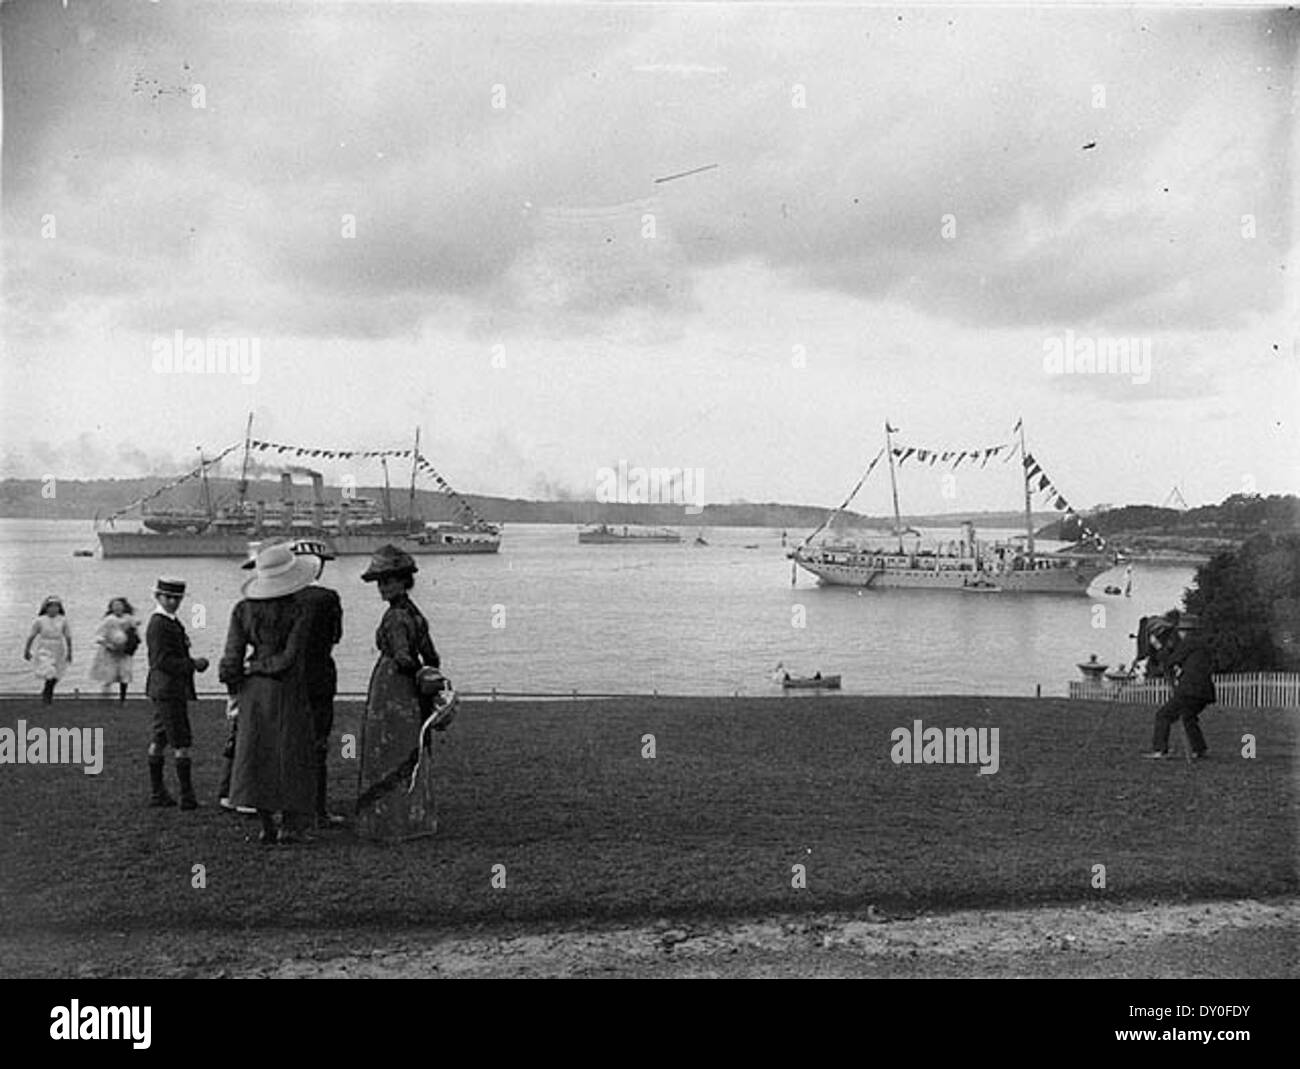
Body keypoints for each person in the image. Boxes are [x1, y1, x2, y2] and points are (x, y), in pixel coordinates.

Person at [221, 544, 318, 845]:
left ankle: (266, 824)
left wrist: (237, 683)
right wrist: (263, 667)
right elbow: (290, 657)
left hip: (254, 693)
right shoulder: (301, 608)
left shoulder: (242, 609)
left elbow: (231, 658)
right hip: (288, 687)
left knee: (256, 753)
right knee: (291, 754)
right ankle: (291, 826)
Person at [356, 544, 443, 842]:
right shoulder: (415, 613)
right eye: (381, 582)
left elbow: (404, 656)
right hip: (411, 688)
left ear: (402, 580)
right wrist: (427, 680)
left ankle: (389, 820)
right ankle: (412, 814)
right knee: (409, 745)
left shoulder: (394, 617)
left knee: (387, 747)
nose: (382, 587)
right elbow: (432, 655)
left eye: (388, 581)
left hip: (391, 686)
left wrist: (411, 671)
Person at [286, 539, 345, 829]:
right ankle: (318, 809)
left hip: (286, 679)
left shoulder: (279, 596)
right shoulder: (328, 599)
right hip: (320, 677)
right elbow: (336, 636)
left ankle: (288, 808)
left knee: (287, 744)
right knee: (318, 745)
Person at [144, 578, 210, 808]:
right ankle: (186, 796)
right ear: (158, 597)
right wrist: (193, 664)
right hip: (169, 689)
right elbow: (161, 661)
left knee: (160, 738)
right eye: (168, 597)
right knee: (181, 742)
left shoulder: (166, 621)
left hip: (163, 688)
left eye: (177, 598)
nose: (173, 602)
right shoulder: (160, 624)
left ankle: (158, 793)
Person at [1143, 613, 1216, 760]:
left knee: (1163, 715)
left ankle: (1160, 750)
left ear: (1185, 631)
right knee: (1188, 717)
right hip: (1205, 691)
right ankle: (1200, 749)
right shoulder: (1203, 645)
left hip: (1189, 689)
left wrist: (1158, 647)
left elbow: (1169, 661)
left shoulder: (1188, 643)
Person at [24, 596, 72, 704]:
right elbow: (31, 636)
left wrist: (70, 652)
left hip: (58, 647)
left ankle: (48, 693)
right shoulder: (40, 620)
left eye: (56, 607)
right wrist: (27, 650)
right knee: (49, 671)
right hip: (44, 647)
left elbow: (68, 637)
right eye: (51, 607)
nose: (53, 609)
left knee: (56, 674)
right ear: (46, 608)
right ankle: (47, 697)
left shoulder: (63, 620)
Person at [91, 597, 139, 702]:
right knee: (109, 675)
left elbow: (135, 633)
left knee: (125, 673)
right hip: (110, 652)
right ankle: (105, 697)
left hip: (125, 652)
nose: (117, 608)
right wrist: (107, 644)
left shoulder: (129, 619)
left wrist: (131, 643)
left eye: (120, 605)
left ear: (124, 607)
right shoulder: (109, 620)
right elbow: (98, 635)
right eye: (115, 606)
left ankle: (123, 699)